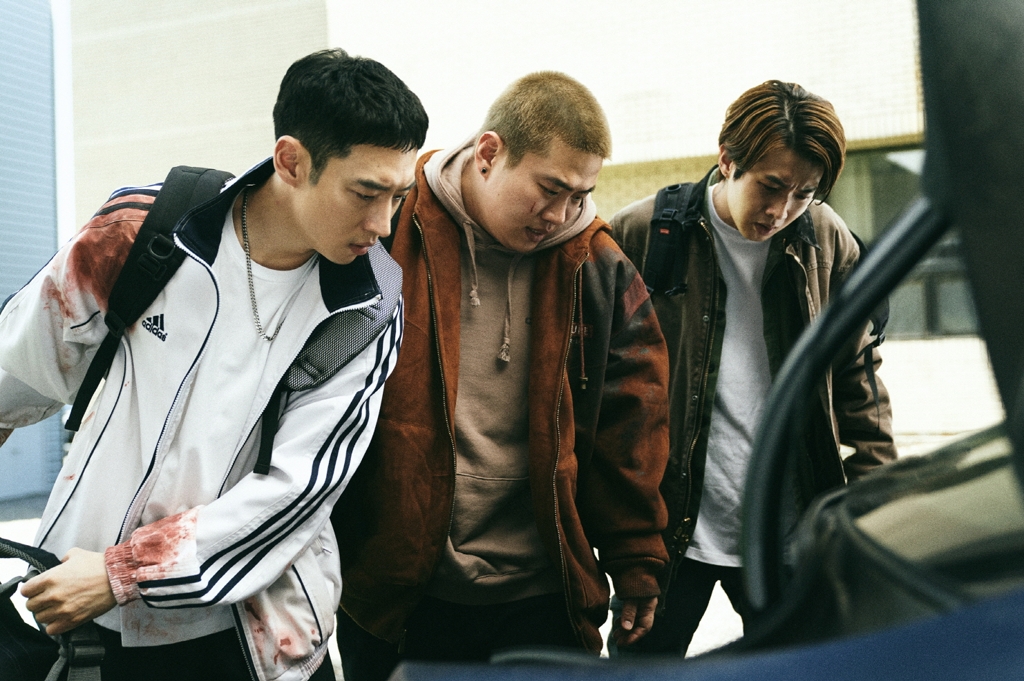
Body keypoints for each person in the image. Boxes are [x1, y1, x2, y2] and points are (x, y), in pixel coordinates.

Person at [0, 48, 427, 681]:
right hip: (82, 611)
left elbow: (299, 488)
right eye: (365, 193)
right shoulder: (146, 230)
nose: (383, 223)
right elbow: (17, 368)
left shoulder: (368, 304)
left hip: (249, 639)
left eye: (398, 196)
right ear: (291, 161)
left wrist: (124, 572)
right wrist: (103, 579)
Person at [331, 71, 671, 680]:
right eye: (550, 188)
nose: (560, 213)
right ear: (489, 153)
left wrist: (636, 556)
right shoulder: (392, 225)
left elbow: (633, 424)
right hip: (399, 590)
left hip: (544, 595)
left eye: (580, 194)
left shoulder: (595, 264)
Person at [609, 80, 897, 655]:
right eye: (770, 186)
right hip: (670, 531)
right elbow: (602, 394)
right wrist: (623, 536)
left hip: (788, 529)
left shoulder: (826, 241)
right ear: (727, 160)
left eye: (803, 194)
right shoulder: (643, 234)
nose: (781, 211)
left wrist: (874, 513)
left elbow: (858, 381)